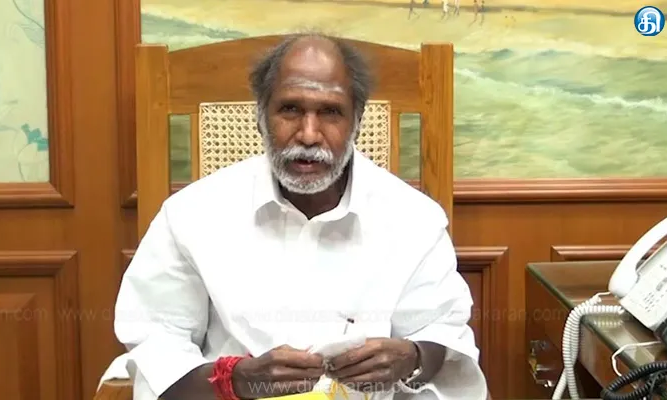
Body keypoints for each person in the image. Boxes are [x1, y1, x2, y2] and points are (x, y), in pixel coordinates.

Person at [112, 33, 488, 400]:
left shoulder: (414, 220)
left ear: (357, 122)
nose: (309, 135)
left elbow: (441, 332)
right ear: (260, 118)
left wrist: (413, 357)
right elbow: (157, 339)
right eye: (290, 109)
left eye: (330, 112)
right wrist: (235, 380)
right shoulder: (193, 215)